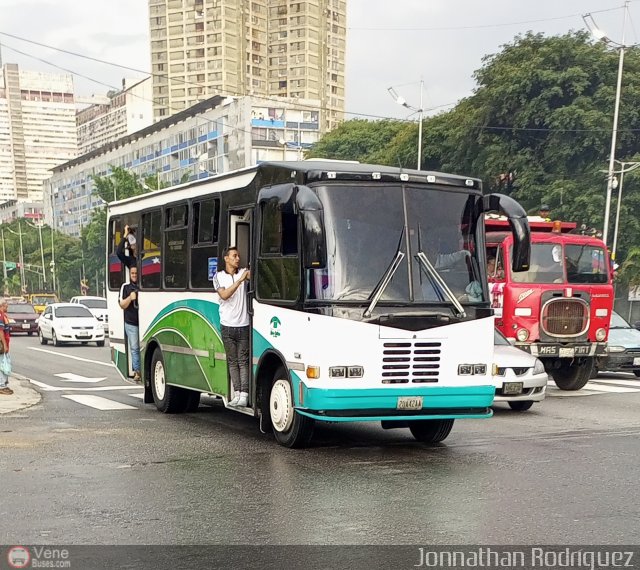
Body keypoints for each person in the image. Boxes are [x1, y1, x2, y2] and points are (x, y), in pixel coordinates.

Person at [213, 247, 251, 407]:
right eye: (234, 256)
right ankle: (236, 393)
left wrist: (246, 276)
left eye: (238, 256)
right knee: (232, 361)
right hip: (227, 325)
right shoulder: (218, 277)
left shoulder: (244, 272)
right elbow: (224, 295)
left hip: (243, 324)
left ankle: (244, 394)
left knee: (243, 361)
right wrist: (240, 281)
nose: (237, 258)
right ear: (226, 259)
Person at [119, 266, 141, 382]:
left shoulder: (143, 286)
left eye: (136, 273)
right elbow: (122, 304)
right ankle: (137, 371)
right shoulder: (126, 287)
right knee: (134, 348)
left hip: (143, 321)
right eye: (132, 273)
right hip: (131, 323)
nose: (134, 275)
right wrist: (130, 298)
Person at [0, 299, 11, 395]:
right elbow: (1, 332)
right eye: (6, 306)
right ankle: (2, 385)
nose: (7, 308)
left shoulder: (4, 316)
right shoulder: (1, 316)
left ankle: (4, 383)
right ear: (2, 306)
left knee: (5, 363)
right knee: (2, 365)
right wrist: (4, 345)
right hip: (2, 344)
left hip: (6, 343)